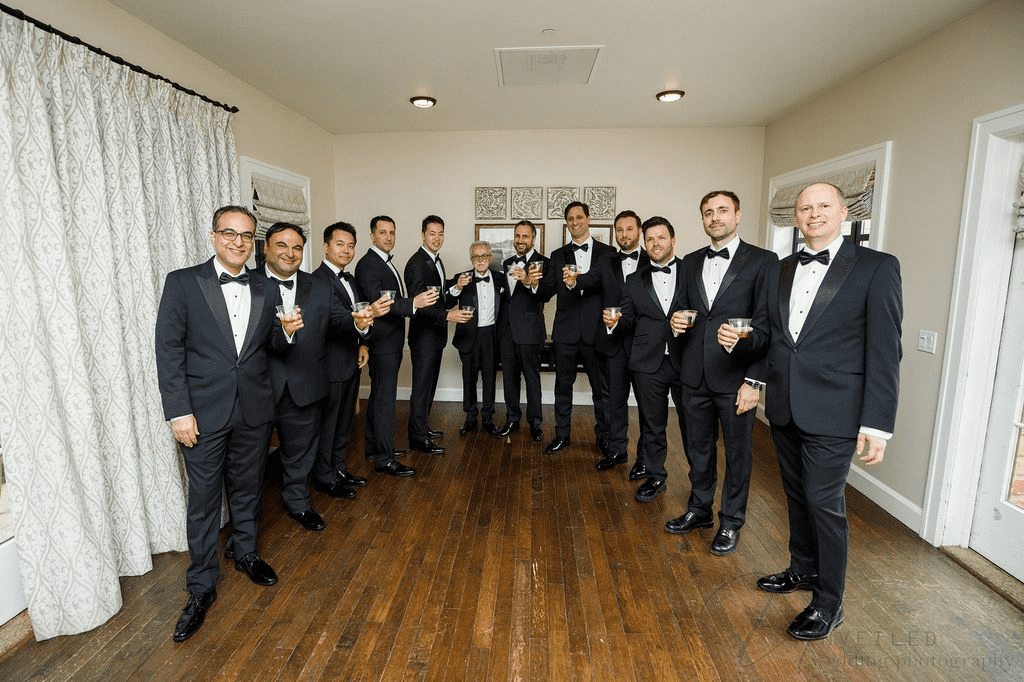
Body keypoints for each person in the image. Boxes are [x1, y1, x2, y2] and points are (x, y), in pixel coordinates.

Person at [720, 182, 902, 640]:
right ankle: (801, 571)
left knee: (825, 504)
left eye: (824, 206)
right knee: (797, 497)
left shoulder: (877, 267)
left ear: (843, 212)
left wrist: (877, 424)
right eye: (805, 208)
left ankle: (829, 601)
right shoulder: (780, 270)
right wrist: (745, 346)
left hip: (837, 411)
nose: (814, 214)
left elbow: (885, 351)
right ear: (795, 217)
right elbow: (772, 337)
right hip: (784, 406)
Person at [155, 205, 299, 642]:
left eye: (246, 236)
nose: (238, 242)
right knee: (202, 500)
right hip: (201, 414)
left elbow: (270, 344)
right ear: (214, 236)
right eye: (229, 233)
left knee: (249, 486)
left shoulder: (264, 284)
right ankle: (200, 585)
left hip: (254, 409)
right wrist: (179, 412)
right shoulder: (182, 282)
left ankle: (247, 552)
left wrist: (288, 331)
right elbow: (168, 351)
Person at [665, 191, 777, 557]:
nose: (715, 218)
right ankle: (699, 510)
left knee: (738, 454)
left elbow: (768, 326)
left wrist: (754, 382)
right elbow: (682, 305)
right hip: (693, 374)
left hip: (737, 379)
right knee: (698, 449)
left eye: (722, 211)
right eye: (708, 212)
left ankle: (731, 521)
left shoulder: (763, 261)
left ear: (738, 215)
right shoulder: (690, 261)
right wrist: (677, 318)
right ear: (702, 219)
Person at [263, 222, 373, 533]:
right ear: (267, 248)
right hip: (259, 387)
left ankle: (298, 503)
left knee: (301, 454)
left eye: (297, 247)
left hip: (305, 382)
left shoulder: (319, 287)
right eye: (282, 245)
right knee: (249, 463)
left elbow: (341, 321)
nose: (290, 253)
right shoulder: (249, 283)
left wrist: (362, 324)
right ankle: (245, 528)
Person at [610, 216, 685, 502]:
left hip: (683, 359)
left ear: (673, 240)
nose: (655, 243)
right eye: (650, 239)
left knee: (692, 425)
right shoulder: (633, 280)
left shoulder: (690, 270)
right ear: (645, 243)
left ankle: (701, 485)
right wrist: (613, 320)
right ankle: (656, 477)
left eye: (661, 237)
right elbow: (628, 319)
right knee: (653, 424)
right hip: (647, 361)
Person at [355, 216, 436, 477]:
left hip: (390, 340)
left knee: (379, 397)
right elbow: (381, 302)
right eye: (382, 232)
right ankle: (385, 458)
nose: (388, 237)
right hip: (382, 341)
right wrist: (414, 303)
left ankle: (374, 447)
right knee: (385, 400)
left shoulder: (382, 262)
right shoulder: (368, 264)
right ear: (372, 235)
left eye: (392, 232)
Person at [538, 201, 614, 455]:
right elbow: (547, 291)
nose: (575, 222)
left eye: (579, 217)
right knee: (562, 387)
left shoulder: (608, 253)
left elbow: (612, 290)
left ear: (589, 219)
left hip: (596, 332)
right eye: (570, 219)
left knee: (601, 390)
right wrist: (531, 283)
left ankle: (603, 437)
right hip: (566, 333)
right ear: (567, 223)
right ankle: (562, 435)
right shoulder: (557, 256)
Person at [311, 221, 375, 497]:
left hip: (351, 361)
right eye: (340, 244)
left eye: (351, 245)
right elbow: (336, 322)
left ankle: (338, 467)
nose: (346, 250)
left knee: (344, 421)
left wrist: (363, 343)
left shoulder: (349, 279)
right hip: (330, 365)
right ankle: (324, 476)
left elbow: (359, 315)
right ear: (325, 247)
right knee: (329, 424)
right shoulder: (317, 281)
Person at [595, 210, 649, 471]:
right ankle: (618, 450)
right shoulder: (606, 261)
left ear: (639, 230)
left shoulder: (654, 259)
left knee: (648, 407)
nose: (624, 234)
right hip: (614, 343)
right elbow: (588, 281)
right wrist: (571, 281)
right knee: (615, 401)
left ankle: (645, 459)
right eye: (619, 230)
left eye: (629, 229)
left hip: (645, 346)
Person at [404, 215, 461, 455]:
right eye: (432, 233)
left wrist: (456, 286)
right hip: (423, 337)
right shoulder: (416, 263)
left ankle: (421, 428)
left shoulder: (436, 261)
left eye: (440, 234)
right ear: (422, 235)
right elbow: (420, 303)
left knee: (428, 387)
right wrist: (447, 315)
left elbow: (440, 295)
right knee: (421, 388)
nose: (436, 238)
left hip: (435, 337)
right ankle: (417, 437)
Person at [495, 220, 548, 442]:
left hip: (530, 331)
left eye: (525, 236)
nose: (520, 240)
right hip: (507, 332)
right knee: (509, 378)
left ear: (533, 239)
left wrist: (528, 281)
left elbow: (544, 294)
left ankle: (535, 422)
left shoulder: (544, 263)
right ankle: (512, 419)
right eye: (517, 235)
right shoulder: (507, 262)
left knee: (532, 379)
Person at [452, 242, 504, 434]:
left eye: (484, 256)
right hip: (469, 336)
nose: (480, 260)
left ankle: (488, 417)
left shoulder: (500, 279)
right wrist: (457, 287)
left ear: (490, 258)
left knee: (489, 378)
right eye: (476, 256)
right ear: (471, 259)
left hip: (491, 334)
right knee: (469, 378)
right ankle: (470, 417)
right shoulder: (462, 278)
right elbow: (447, 300)